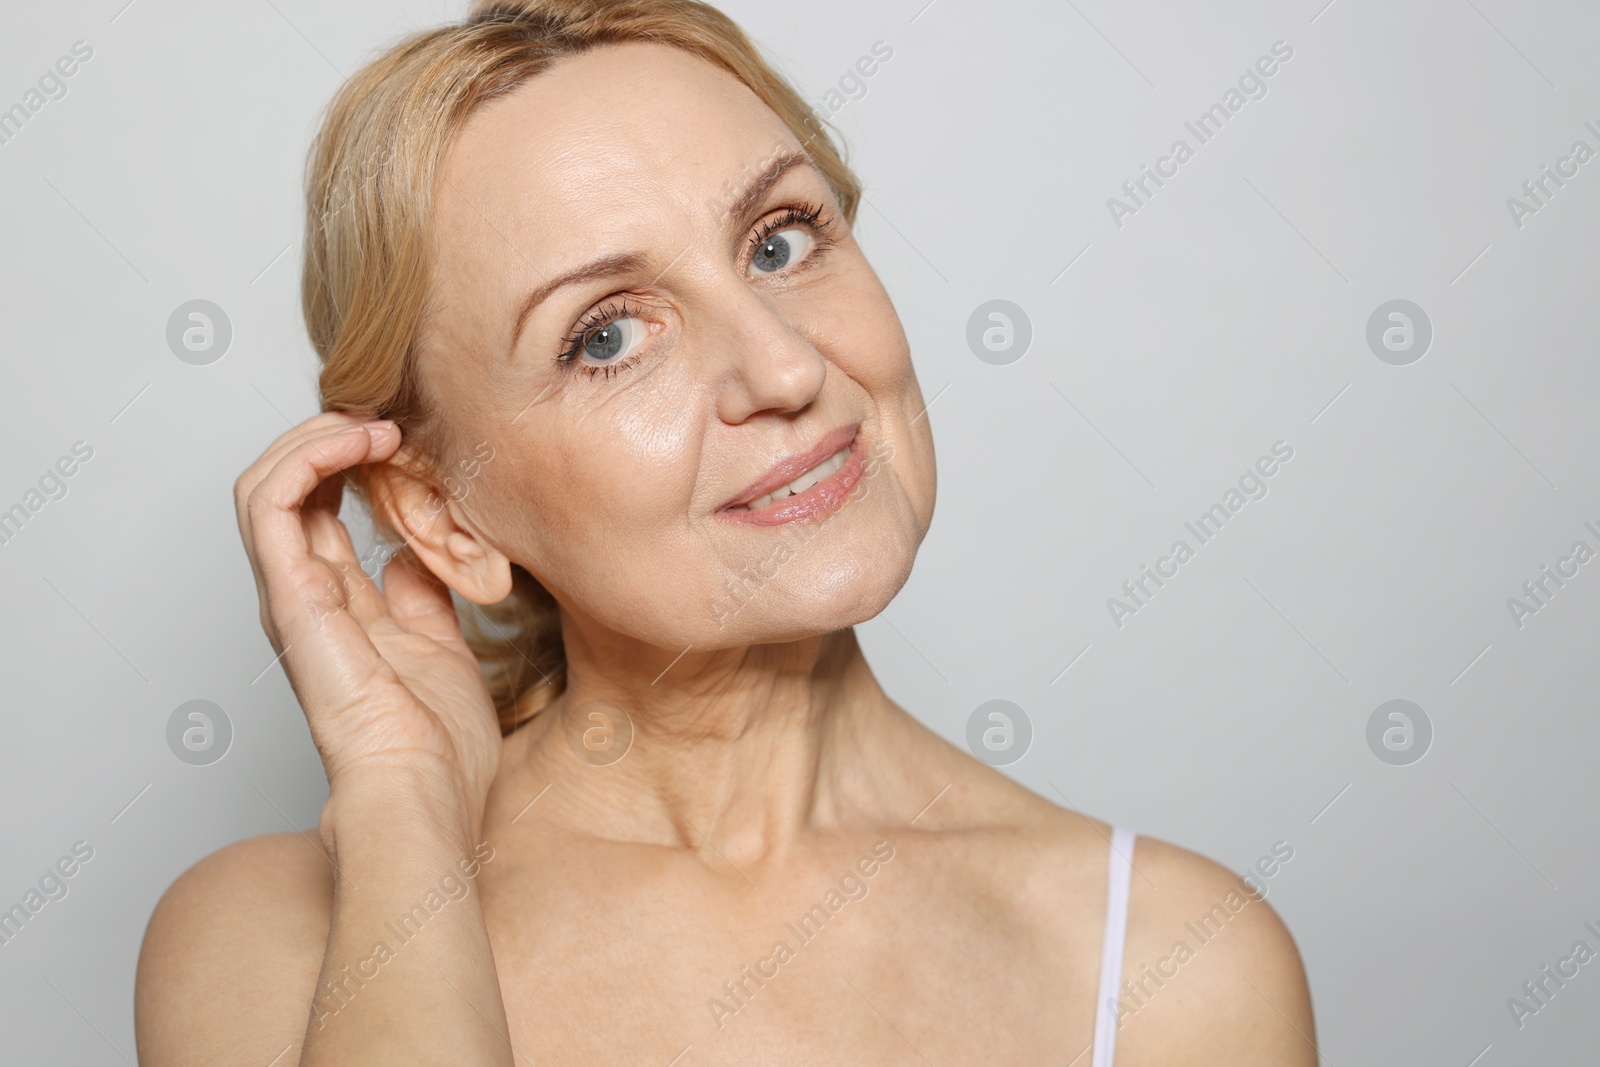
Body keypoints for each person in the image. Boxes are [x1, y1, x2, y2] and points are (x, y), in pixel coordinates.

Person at [134, 2, 1316, 1063]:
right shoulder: (276, 940)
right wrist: (400, 805)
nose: (786, 365)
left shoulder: (1174, 970)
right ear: (445, 516)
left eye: (781, 241)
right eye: (604, 335)